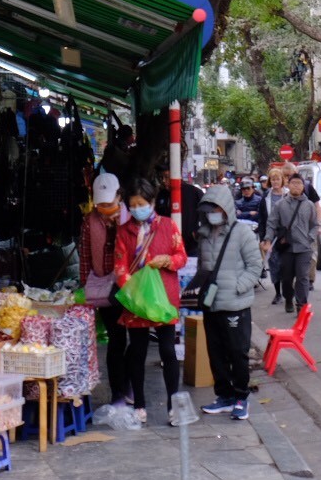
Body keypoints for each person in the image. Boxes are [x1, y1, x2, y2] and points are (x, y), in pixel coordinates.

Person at [112, 178, 187, 425]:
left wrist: (166, 260)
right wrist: (133, 293)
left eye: (142, 203)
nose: (137, 209)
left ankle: (173, 405)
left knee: (167, 350)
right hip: (137, 302)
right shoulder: (124, 231)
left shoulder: (167, 226)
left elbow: (181, 257)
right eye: (132, 205)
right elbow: (120, 266)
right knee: (137, 351)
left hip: (164, 297)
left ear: (152, 202)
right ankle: (140, 405)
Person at [192, 186, 264, 420]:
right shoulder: (203, 235)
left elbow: (256, 266)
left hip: (235, 306)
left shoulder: (242, 233)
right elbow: (202, 268)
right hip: (211, 305)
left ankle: (241, 397)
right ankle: (224, 396)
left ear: (226, 208)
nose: (213, 213)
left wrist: (237, 287)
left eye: (216, 208)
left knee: (237, 353)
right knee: (216, 353)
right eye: (209, 209)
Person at [78, 173, 125, 380]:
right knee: (116, 338)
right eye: (101, 205)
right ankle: (118, 390)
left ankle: (131, 384)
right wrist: (86, 286)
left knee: (134, 341)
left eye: (109, 204)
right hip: (103, 288)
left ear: (119, 197)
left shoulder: (129, 218)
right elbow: (85, 255)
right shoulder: (90, 221)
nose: (105, 209)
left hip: (129, 287)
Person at [265, 172, 319, 314]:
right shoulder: (280, 205)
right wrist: (267, 239)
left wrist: (310, 237)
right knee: (287, 278)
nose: (296, 186)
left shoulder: (309, 205)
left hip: (304, 248)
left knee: (302, 277)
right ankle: (288, 298)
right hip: (286, 248)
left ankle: (301, 304)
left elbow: (315, 224)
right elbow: (271, 223)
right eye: (293, 183)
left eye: (299, 183)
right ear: (288, 185)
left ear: (303, 187)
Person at [261, 166, 292, 302]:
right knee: (274, 264)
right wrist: (264, 238)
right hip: (272, 235)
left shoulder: (289, 195)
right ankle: (278, 293)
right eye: (272, 179)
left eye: (277, 179)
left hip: (287, 235)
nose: (275, 182)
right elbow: (262, 219)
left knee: (288, 264)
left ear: (282, 180)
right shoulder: (265, 198)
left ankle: (289, 292)